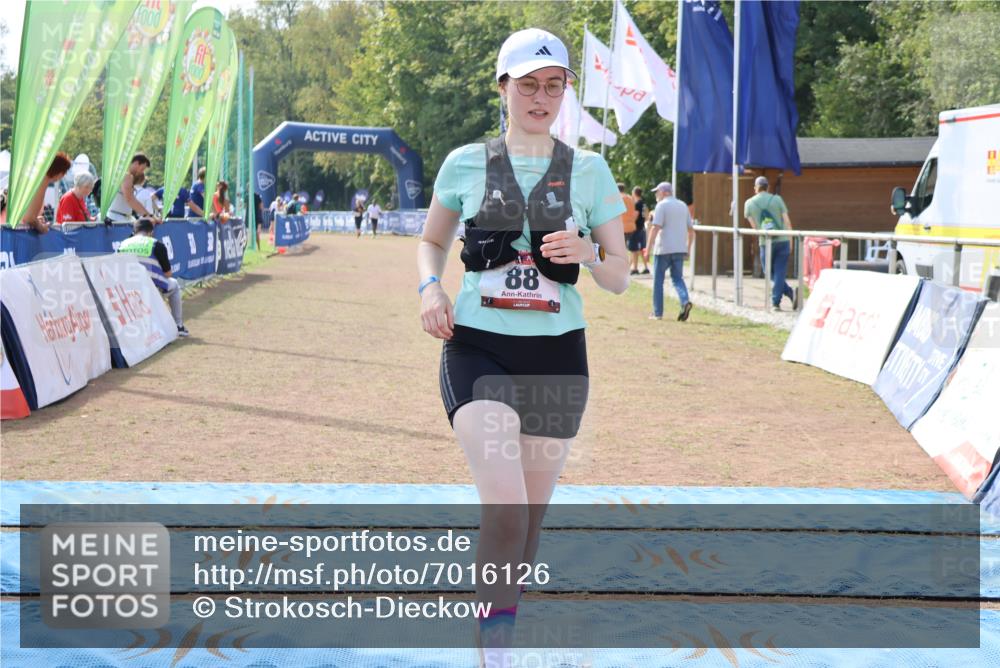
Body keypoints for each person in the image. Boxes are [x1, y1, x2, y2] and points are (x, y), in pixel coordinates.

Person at [416, 28, 628, 667]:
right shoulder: (465, 162)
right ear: (503, 88)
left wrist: (591, 252)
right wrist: (431, 288)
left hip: (559, 354)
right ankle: (494, 650)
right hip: (478, 348)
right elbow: (431, 241)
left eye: (554, 85)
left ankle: (501, 614)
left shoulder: (588, 169)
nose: (541, 97)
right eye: (528, 84)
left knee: (529, 522)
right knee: (506, 508)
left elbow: (619, 274)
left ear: (566, 90)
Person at [117, 217, 189, 337]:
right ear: (151, 232)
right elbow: (168, 274)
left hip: (127, 288)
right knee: (174, 285)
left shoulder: (122, 244)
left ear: (134, 232)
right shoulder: (156, 244)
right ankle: (178, 325)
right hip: (150, 287)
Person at [744, 175, 796, 311]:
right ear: (768, 187)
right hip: (783, 239)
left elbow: (754, 227)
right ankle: (789, 294)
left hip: (765, 241)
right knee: (779, 272)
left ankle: (776, 302)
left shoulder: (749, 204)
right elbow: (787, 222)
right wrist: (791, 241)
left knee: (768, 272)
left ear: (756, 188)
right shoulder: (777, 199)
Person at [646, 181, 694, 321]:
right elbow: (691, 230)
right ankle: (685, 301)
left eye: (657, 192)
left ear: (663, 192)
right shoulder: (683, 205)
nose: (656, 195)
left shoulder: (661, 205)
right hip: (679, 247)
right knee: (678, 278)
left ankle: (657, 312)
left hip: (663, 248)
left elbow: (655, 227)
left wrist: (648, 248)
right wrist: (688, 248)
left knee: (658, 281)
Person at [3, 152, 73, 233]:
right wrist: (41, 227)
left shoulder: (33, 178)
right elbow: (29, 218)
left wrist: (36, 220)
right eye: (64, 172)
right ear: (59, 172)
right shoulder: (41, 181)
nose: (63, 176)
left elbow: (26, 215)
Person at [106, 153, 157, 223]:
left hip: (117, 217)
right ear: (136, 163)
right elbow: (130, 199)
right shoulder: (127, 176)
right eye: (142, 169)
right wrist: (148, 216)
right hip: (118, 219)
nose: (141, 172)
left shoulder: (119, 174)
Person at [628, 186, 649, 274]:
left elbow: (635, 215)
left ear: (634, 193)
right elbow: (647, 215)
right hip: (642, 228)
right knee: (641, 249)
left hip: (636, 229)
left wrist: (629, 221)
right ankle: (646, 268)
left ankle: (635, 268)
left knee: (633, 249)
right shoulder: (644, 203)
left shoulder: (637, 204)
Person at [618, 182, 636, 251]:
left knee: (620, 248)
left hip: (622, 227)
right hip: (631, 226)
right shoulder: (630, 197)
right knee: (625, 248)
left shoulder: (616, 196)